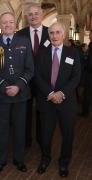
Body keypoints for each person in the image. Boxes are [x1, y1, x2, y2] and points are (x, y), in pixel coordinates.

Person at [0, 12, 34, 173]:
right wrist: (4, 86)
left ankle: (19, 159)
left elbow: (29, 69)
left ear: (15, 25)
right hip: (1, 95)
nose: (7, 25)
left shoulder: (24, 42)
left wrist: (18, 86)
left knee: (20, 129)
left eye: (11, 22)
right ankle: (1, 160)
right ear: (0, 25)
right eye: (4, 22)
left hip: (20, 95)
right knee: (2, 129)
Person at [35, 22, 81, 177]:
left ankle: (64, 163)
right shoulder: (42, 53)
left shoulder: (72, 53)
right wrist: (50, 93)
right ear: (49, 35)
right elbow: (37, 76)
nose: (54, 36)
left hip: (66, 102)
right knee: (45, 135)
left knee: (67, 135)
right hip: (46, 101)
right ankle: (45, 159)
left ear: (64, 34)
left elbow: (76, 77)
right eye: (52, 33)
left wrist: (61, 93)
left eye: (57, 32)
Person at [17, 3, 50, 147]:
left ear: (41, 14)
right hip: (26, 80)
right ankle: (26, 140)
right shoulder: (20, 34)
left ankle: (42, 140)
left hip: (44, 80)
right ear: (27, 17)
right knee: (25, 112)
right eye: (30, 14)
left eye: (36, 13)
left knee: (43, 111)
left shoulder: (51, 32)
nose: (33, 16)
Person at [81, 30, 92, 117]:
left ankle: (85, 113)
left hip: (90, 75)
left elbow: (90, 63)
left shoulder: (91, 46)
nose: (89, 37)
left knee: (87, 94)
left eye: (90, 35)